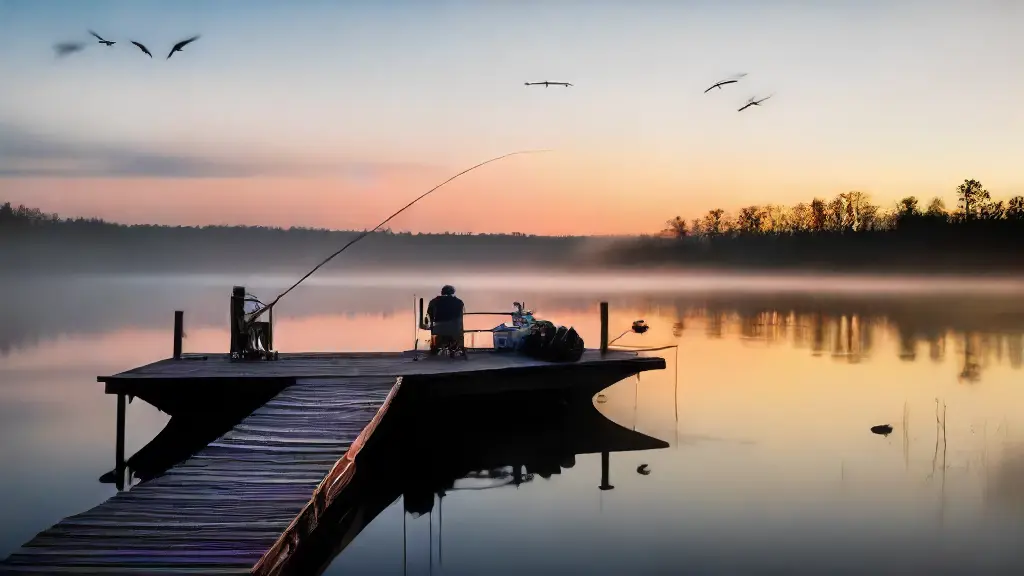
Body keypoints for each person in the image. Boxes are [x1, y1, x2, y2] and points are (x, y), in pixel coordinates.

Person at [426, 285, 465, 354]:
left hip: (439, 328)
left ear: (442, 292)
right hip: (455, 329)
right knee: (457, 333)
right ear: (453, 292)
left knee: (438, 336)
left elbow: (430, 314)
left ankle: (436, 348)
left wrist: (432, 324)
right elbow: (460, 316)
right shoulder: (459, 302)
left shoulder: (434, 301)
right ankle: (459, 348)